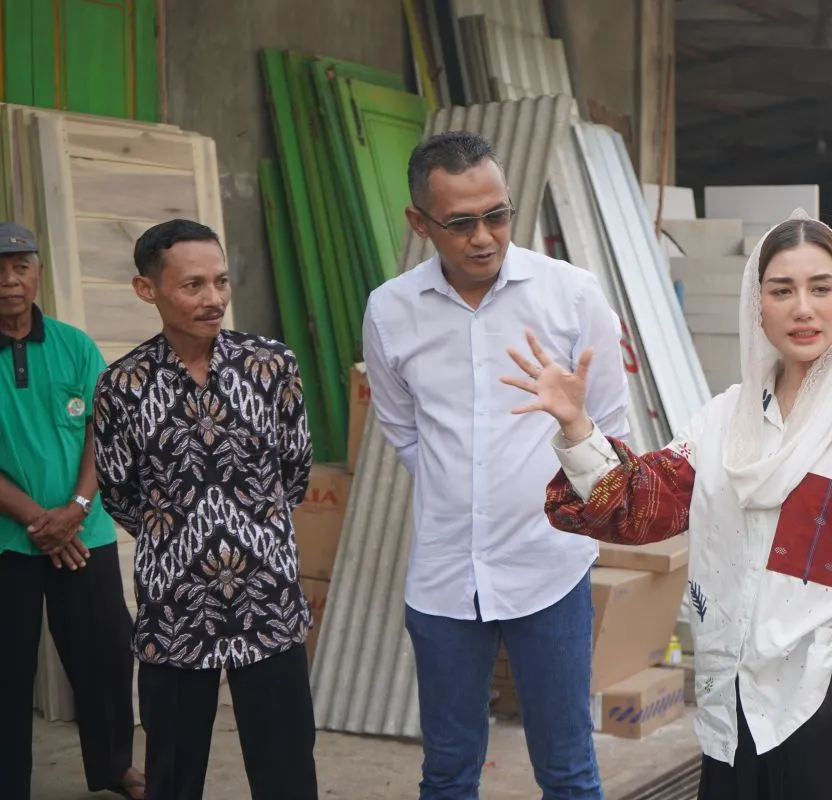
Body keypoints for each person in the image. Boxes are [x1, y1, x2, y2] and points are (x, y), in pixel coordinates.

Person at [502, 211, 832, 799]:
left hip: (831, 708)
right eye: (781, 290)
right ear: (757, 304)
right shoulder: (727, 418)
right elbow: (643, 503)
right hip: (734, 706)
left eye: (820, 288)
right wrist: (577, 425)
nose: (802, 308)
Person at [362, 131, 629, 799]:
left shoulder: (571, 295)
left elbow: (611, 430)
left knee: (568, 769)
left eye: (497, 215)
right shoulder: (391, 310)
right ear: (419, 223)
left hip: (550, 566)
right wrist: (464, 495)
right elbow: (402, 430)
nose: (484, 238)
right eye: (460, 223)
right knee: (448, 771)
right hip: (445, 574)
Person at [91, 218, 318, 800]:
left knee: (287, 769)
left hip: (267, 598)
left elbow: (295, 468)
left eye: (221, 281)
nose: (213, 298)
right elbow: (119, 491)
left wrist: (252, 528)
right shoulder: (122, 386)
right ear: (147, 289)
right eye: (192, 285)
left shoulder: (271, 366)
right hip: (175, 606)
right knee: (172, 771)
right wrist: (180, 536)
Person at [0, 222, 146, 800]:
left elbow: (100, 433)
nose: (9, 281)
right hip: (9, 540)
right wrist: (40, 520)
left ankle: (114, 767)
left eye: (20, 267)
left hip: (86, 531)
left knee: (106, 653)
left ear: (37, 273)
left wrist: (77, 508)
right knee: (7, 667)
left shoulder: (75, 345)